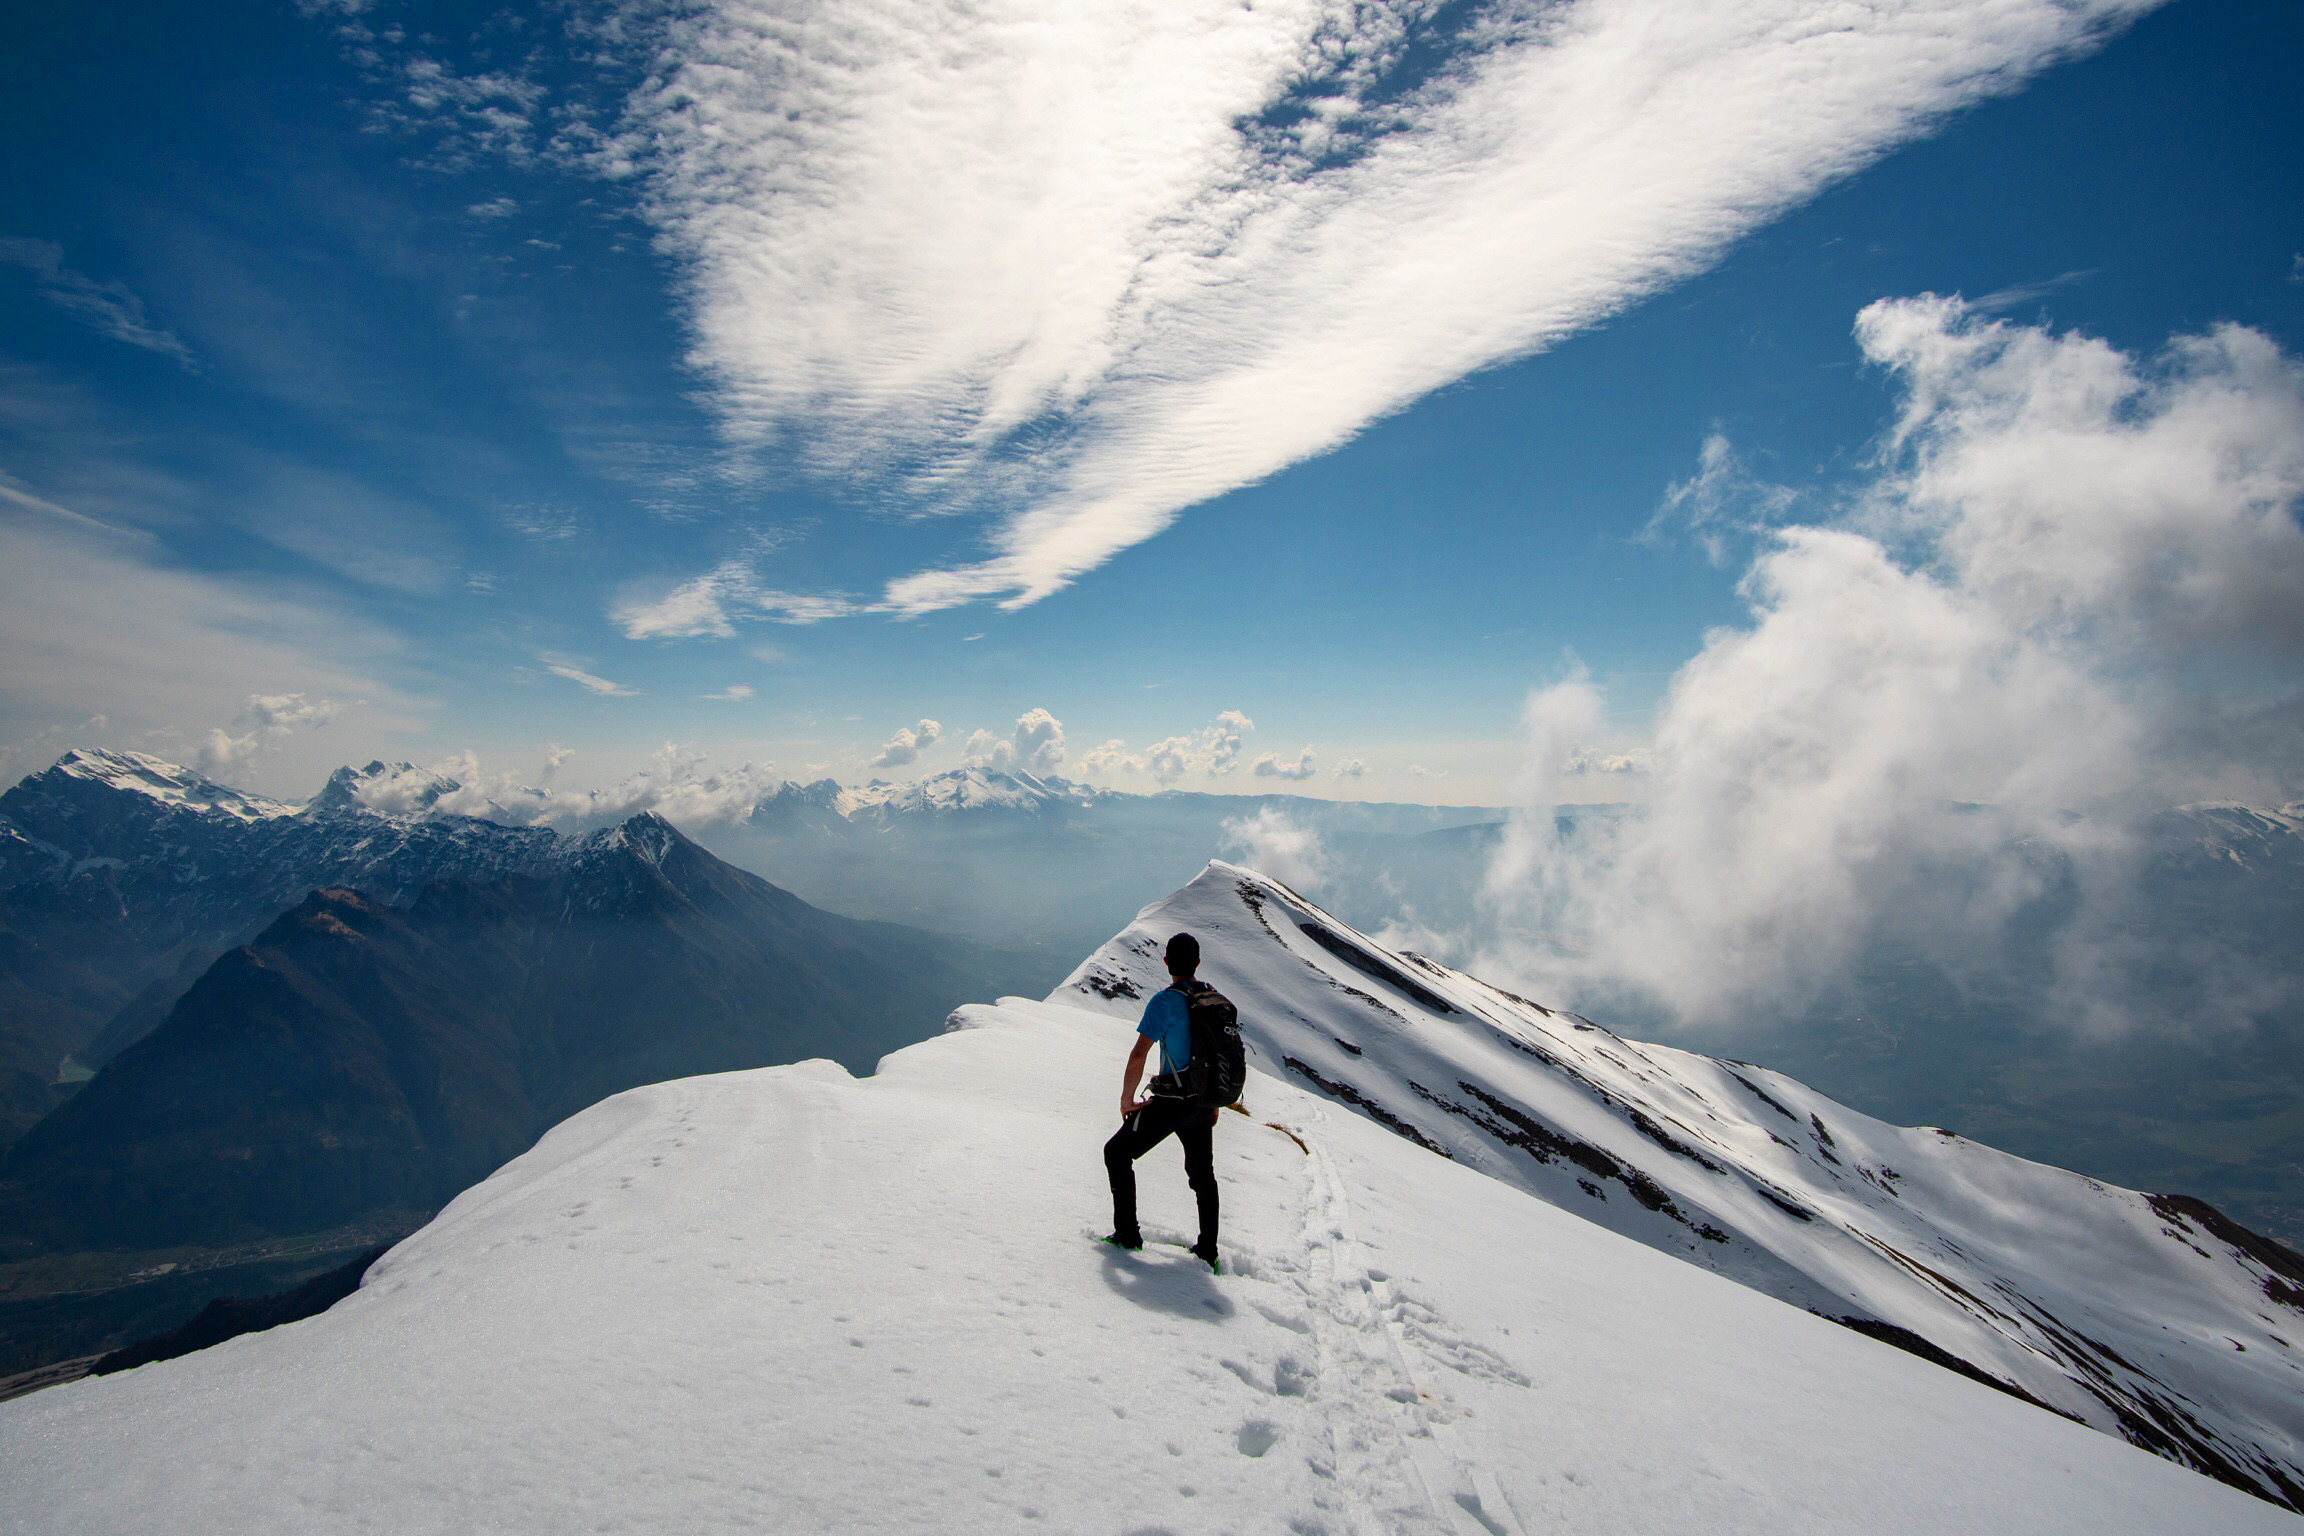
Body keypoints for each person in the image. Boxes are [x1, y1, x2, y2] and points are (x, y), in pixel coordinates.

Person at [1102, 932, 1220, 1271]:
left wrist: (1127, 1099)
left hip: (1172, 1101)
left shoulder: (1165, 1002)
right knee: (1203, 1176)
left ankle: (1127, 1235)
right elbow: (1214, 1056)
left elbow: (1140, 1053)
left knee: (1116, 1153)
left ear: (1166, 961)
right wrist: (1213, 1103)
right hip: (1202, 1102)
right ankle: (1208, 1251)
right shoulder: (1211, 999)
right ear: (1198, 963)